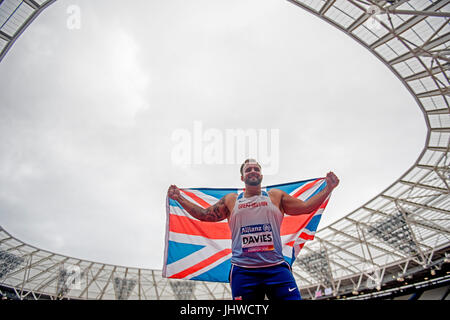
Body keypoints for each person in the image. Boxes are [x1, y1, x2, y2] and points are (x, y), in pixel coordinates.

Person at [167, 159, 339, 300]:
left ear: (261, 175)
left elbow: (306, 207)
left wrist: (328, 188)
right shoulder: (231, 200)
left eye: (256, 168)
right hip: (243, 272)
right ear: (242, 177)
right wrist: (179, 198)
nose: (253, 171)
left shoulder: (275, 196)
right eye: (248, 169)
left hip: (276, 268)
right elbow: (205, 215)